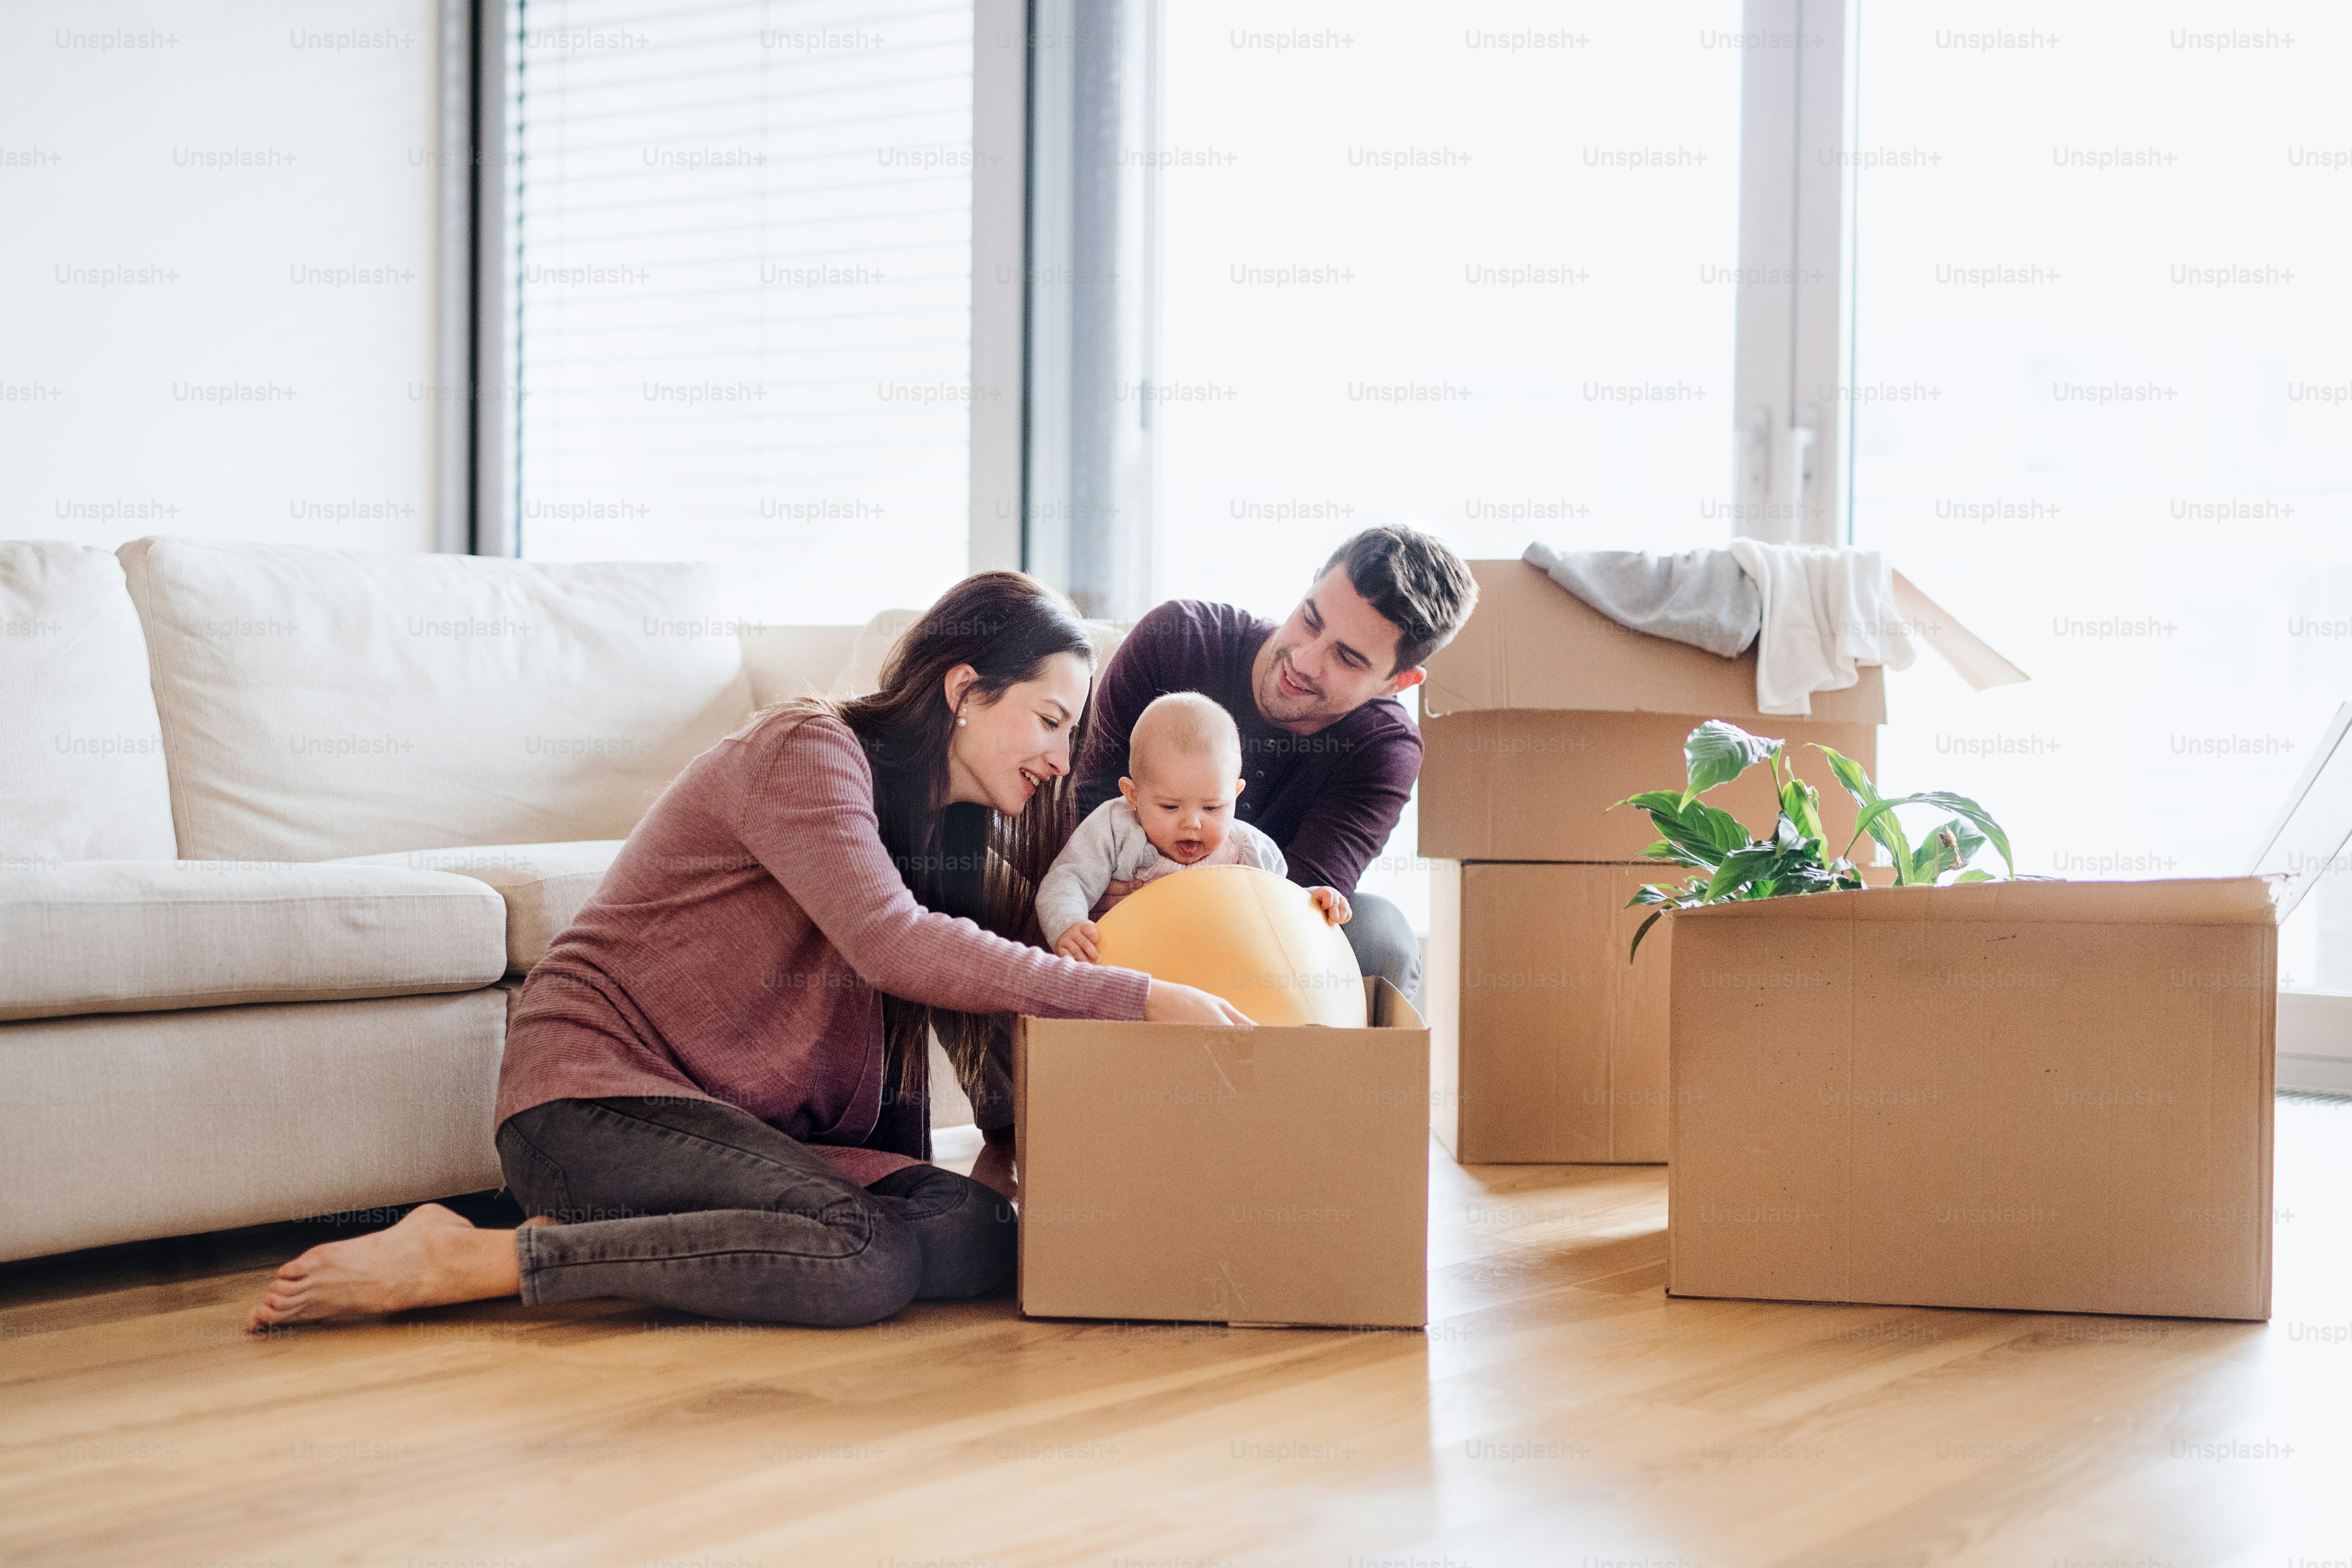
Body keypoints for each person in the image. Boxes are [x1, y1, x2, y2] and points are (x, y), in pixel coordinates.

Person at [247, 572, 1250, 1333]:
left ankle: (801, 1234)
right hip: (596, 1103)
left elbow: (967, 994)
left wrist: (1014, 1152)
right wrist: (1141, 996)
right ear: (962, 690)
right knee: (862, 1256)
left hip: (753, 1134)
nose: (1059, 757)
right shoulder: (806, 751)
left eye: (1071, 735)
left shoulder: (948, 838)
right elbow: (893, 944)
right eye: (1047, 719)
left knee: (986, 1234)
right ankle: (476, 1256)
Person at [1073, 525, 1479, 1005]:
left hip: (1261, 951)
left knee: (1380, 932)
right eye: (1311, 620)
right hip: (1109, 911)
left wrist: (1168, 898)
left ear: (1398, 682)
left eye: (1347, 658)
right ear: (1310, 585)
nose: (1305, 662)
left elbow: (1300, 900)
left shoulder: (1382, 747)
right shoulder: (1178, 640)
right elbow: (1085, 805)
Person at [1037, 691, 1349, 963]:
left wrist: (1312, 902)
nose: (1192, 822)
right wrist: (1069, 923)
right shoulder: (1115, 828)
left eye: (1212, 807)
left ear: (1235, 795)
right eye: (1170, 807)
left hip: (1213, 977)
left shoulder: (1249, 850)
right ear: (1133, 795)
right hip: (1125, 969)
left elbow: (1279, 910)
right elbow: (1069, 879)